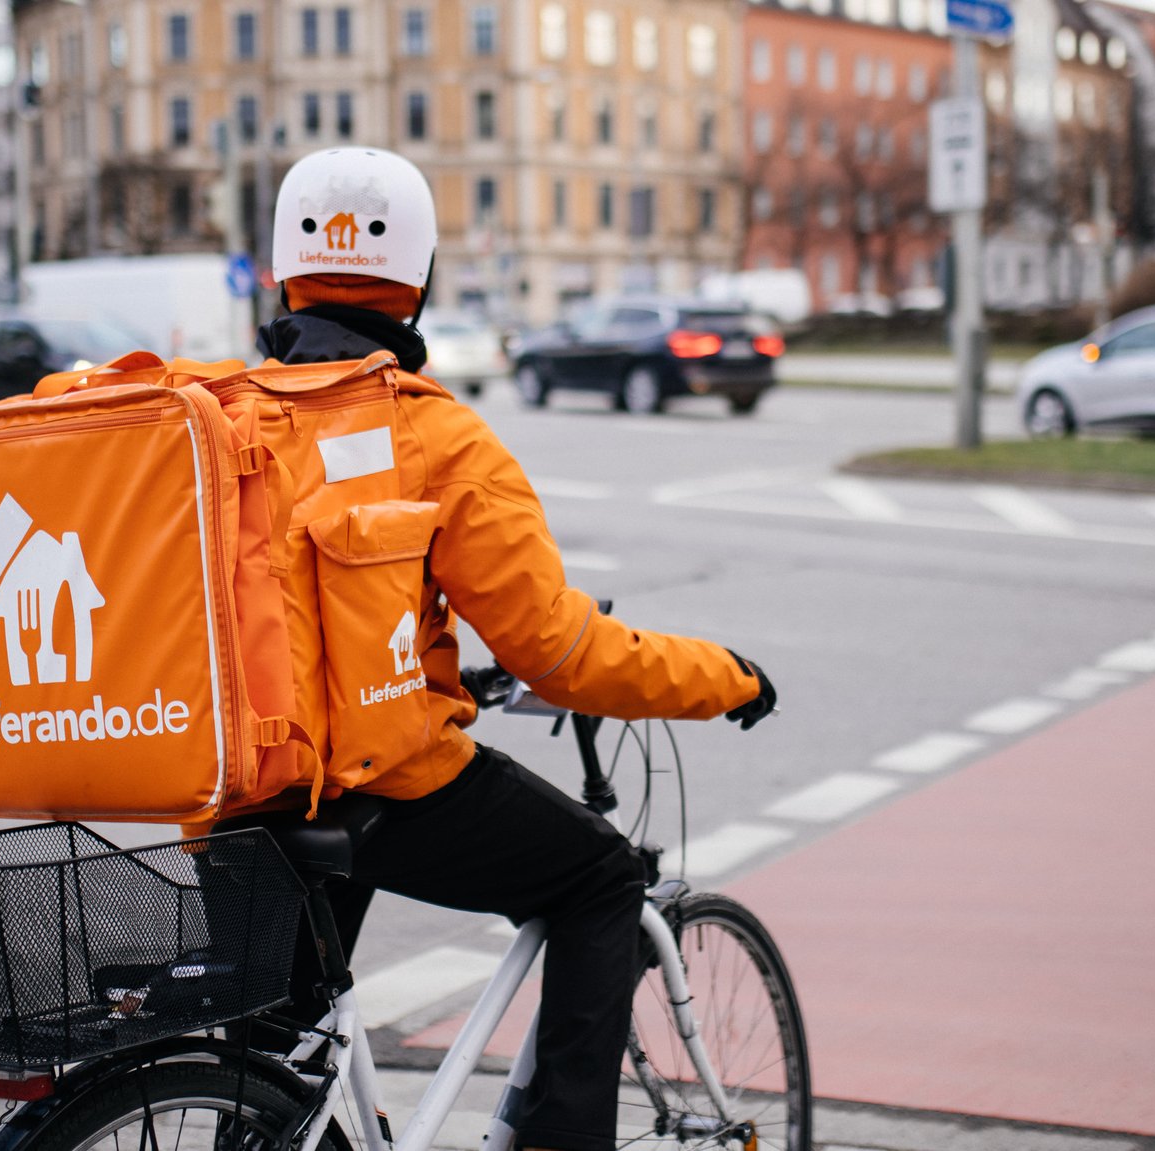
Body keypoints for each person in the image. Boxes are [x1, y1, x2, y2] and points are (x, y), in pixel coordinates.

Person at [245, 147, 778, 1151]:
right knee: (601, 879)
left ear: (282, 271)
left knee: (268, 1057)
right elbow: (562, 652)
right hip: (381, 786)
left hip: (234, 783)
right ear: (422, 279)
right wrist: (725, 676)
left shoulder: (218, 418)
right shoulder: (437, 439)